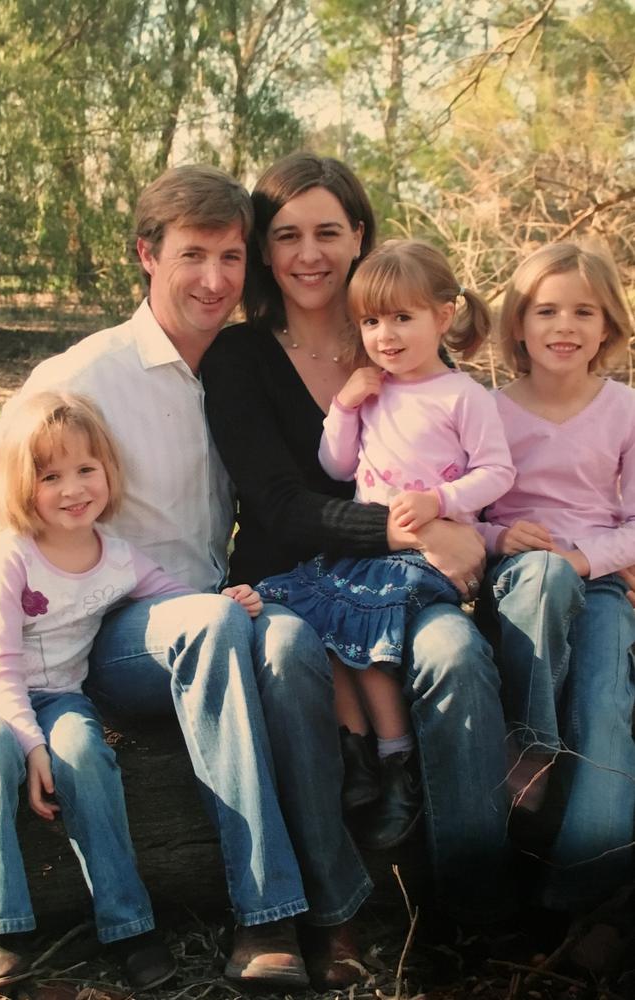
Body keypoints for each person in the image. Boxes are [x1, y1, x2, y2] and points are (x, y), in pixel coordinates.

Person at [0, 165, 372, 991]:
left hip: (211, 609)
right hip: (111, 632)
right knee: (213, 625)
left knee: (291, 646)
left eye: (232, 257)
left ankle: (336, 914)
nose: (214, 279)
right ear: (146, 256)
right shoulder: (81, 378)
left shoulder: (239, 366)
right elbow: (0, 506)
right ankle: (263, 913)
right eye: (192, 255)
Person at [202, 152, 517, 931]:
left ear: (361, 237)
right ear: (265, 251)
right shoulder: (239, 358)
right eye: (286, 235)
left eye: (329, 233)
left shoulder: (405, 339)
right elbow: (277, 503)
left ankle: (469, 909)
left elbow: (474, 456)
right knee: (288, 657)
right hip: (294, 577)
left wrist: (479, 527)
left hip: (410, 579)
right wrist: (414, 527)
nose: (308, 255)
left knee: (456, 657)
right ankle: (333, 914)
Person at [255, 239, 515, 852]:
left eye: (403, 318)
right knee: (323, 628)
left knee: (365, 642)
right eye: (371, 322)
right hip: (366, 553)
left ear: (444, 316)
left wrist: (442, 501)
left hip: (421, 558)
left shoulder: (463, 396)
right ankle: (358, 754)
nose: (386, 336)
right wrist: (344, 407)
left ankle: (398, 764)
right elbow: (336, 463)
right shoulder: (373, 392)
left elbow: (497, 473)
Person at [0, 391, 220, 989]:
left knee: (85, 754)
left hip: (63, 696)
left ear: (108, 474)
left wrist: (224, 603)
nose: (72, 489)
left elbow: (172, 596)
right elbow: (0, 664)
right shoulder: (11, 556)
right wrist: (30, 746)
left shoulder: (116, 557)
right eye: (50, 475)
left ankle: (128, 924)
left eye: (86, 469)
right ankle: (1, 927)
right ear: (21, 484)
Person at [475, 241, 635, 914]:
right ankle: (530, 745)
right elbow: (462, 511)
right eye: (545, 311)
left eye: (583, 311)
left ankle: (583, 893)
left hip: (595, 584)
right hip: (517, 588)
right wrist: (498, 535)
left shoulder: (625, 409)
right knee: (540, 578)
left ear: (609, 326)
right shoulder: (487, 408)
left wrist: (582, 560)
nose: (563, 327)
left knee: (604, 706)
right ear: (517, 323)